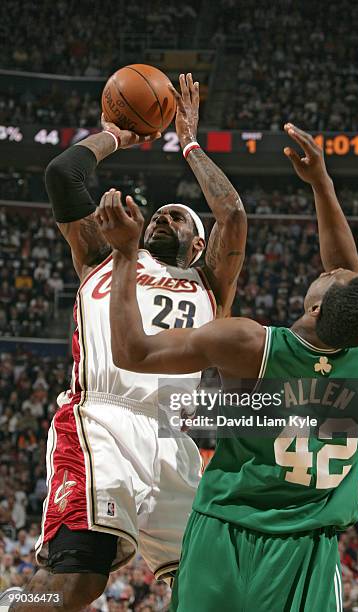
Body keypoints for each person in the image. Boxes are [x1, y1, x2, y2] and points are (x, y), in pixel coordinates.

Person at [98, 124, 358, 612]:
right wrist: (322, 183)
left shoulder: (251, 345)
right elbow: (352, 280)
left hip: (226, 533)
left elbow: (132, 353)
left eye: (330, 277)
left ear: (317, 309)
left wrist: (126, 255)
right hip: (307, 547)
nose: (332, 267)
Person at [11, 75, 247, 612]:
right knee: (79, 584)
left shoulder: (210, 283)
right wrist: (114, 135)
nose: (165, 216)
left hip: (170, 437)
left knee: (214, 581)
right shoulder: (105, 255)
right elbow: (63, 173)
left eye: (179, 219)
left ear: (199, 244)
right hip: (100, 424)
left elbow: (232, 214)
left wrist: (189, 143)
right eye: (160, 213)